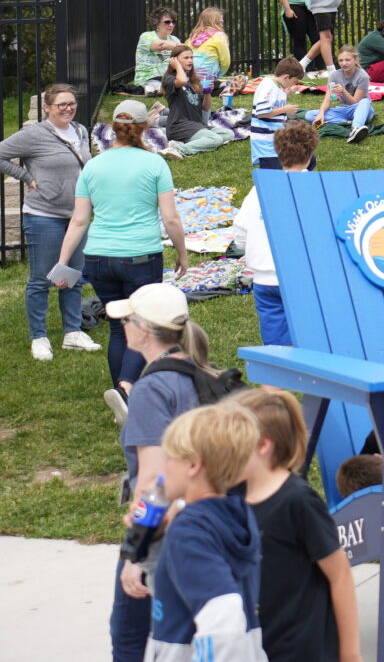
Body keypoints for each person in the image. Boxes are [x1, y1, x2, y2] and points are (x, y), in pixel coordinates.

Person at [108, 282, 219, 662]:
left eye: (127, 320)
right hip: (208, 521)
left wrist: (134, 553)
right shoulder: (200, 372)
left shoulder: (152, 390)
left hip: (163, 533)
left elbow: (152, 483)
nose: (122, 326)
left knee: (130, 640)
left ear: (142, 330)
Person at [53, 101, 185, 386]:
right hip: (140, 257)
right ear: (144, 127)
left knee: (117, 328)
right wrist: (182, 253)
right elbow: (170, 217)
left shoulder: (93, 165)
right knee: (142, 325)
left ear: (114, 127)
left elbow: (78, 221)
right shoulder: (154, 163)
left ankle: (121, 393)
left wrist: (62, 263)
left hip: (99, 258)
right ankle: (126, 389)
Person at [231, 389, 362, 662]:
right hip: (259, 645)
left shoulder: (298, 501)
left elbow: (340, 576)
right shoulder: (236, 497)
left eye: (231, 441)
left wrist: (349, 653)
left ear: (262, 446)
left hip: (304, 649)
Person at [139, 403, 265, 662]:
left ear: (194, 465)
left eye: (170, 458)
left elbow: (224, 621)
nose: (164, 470)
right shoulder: (236, 513)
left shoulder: (189, 530)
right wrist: (157, 535)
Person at [2, 82, 98, 361]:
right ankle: (39, 337)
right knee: (42, 278)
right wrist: (26, 178)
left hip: (77, 215)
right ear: (47, 108)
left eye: (71, 103)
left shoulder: (79, 130)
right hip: (44, 215)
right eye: (61, 105)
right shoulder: (33, 134)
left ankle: (72, 332)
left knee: (73, 275)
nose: (68, 109)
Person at [234, 119, 319, 347]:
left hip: (264, 279)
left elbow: (240, 233)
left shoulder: (258, 189)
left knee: (276, 348)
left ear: (278, 153)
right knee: (312, 339)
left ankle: (277, 379)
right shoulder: (317, 188)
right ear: (311, 154)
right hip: (304, 277)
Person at [306, 43, 377, 145]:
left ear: (356, 60)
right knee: (309, 115)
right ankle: (347, 122)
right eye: (341, 60)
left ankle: (355, 128)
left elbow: (355, 102)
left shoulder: (363, 76)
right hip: (343, 110)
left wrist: (343, 91)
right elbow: (328, 99)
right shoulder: (335, 75)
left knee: (365, 101)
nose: (344, 63)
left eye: (347, 60)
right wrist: (321, 113)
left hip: (361, 109)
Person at [248, 57, 307, 169]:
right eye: (293, 81)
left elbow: (273, 102)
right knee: (274, 174)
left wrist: (287, 93)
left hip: (274, 142)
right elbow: (261, 113)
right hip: (265, 144)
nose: (293, 84)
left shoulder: (276, 86)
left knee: (306, 160)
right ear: (286, 77)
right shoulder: (268, 86)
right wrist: (285, 109)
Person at [133, 7, 181, 93]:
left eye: (173, 22)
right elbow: (161, 45)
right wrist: (181, 48)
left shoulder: (175, 39)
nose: (171, 25)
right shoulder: (146, 36)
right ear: (157, 23)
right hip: (148, 79)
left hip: (167, 79)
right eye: (167, 22)